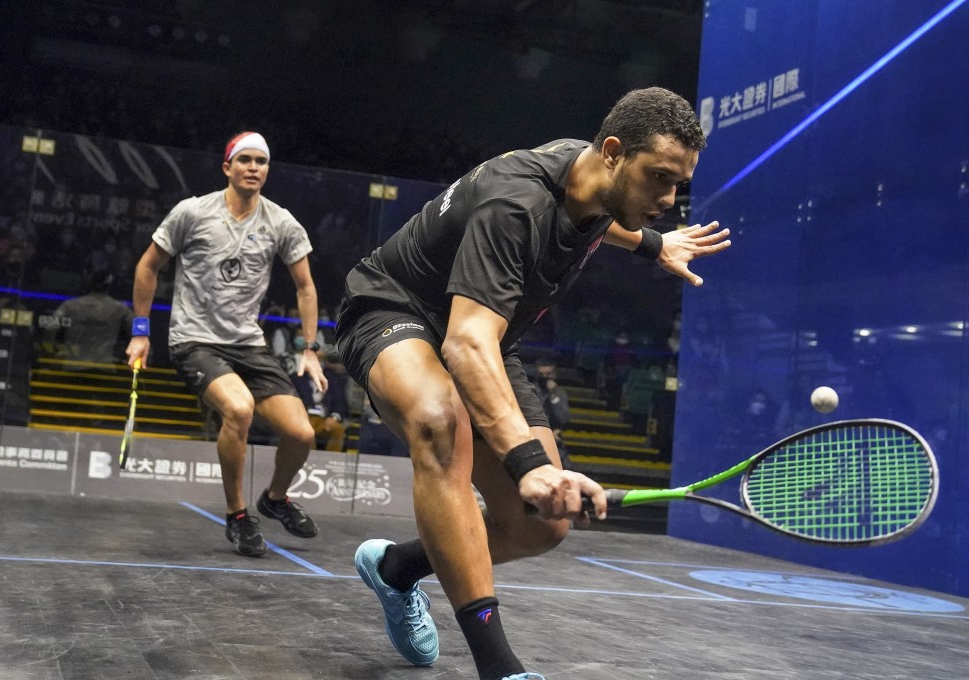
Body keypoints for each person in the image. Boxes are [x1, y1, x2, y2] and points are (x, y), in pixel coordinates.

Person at [335, 87, 731, 679]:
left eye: (679, 185)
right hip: (396, 308)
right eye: (659, 179)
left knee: (540, 524)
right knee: (441, 421)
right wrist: (529, 464)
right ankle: (501, 669)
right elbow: (465, 346)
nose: (669, 200)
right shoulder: (514, 202)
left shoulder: (594, 177)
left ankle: (397, 569)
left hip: (488, 334)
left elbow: (604, 220)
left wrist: (653, 244)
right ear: (616, 153)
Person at [125, 131, 328, 558]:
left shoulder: (281, 222)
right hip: (193, 340)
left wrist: (310, 348)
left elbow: (306, 287)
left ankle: (274, 499)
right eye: (246, 160)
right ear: (228, 167)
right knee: (238, 409)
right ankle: (238, 516)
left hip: (248, 345)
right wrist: (141, 331)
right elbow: (148, 267)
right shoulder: (191, 213)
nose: (254, 168)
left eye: (262, 162)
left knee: (301, 433)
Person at [45, 270, 133, 365]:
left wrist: (53, 351)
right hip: (104, 366)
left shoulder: (70, 305)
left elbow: (50, 327)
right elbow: (137, 329)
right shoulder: (120, 308)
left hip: (73, 364)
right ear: (110, 286)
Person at [531, 355, 571, 470]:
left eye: (548, 375)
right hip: (533, 436)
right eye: (541, 375)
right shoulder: (530, 390)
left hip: (553, 438)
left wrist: (553, 394)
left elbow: (564, 418)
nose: (545, 378)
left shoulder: (558, 392)